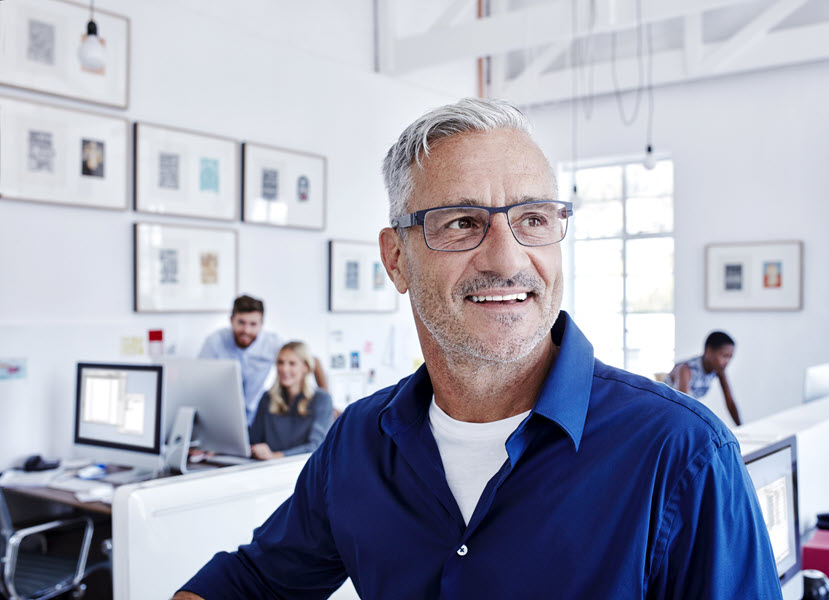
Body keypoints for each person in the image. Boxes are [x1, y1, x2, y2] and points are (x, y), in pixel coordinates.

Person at [175, 98, 779, 599]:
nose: (508, 258)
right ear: (396, 259)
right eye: (462, 222)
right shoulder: (359, 442)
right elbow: (252, 583)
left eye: (535, 219)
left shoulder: (683, 452)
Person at [198, 295, 328, 422]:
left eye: (253, 324)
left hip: (255, 415)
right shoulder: (215, 342)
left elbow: (312, 361)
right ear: (231, 320)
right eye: (241, 322)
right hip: (222, 414)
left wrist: (327, 403)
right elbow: (198, 377)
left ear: (261, 324)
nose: (246, 330)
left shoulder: (271, 344)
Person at [248, 341, 333, 459]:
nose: (284, 369)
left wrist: (275, 456)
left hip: (301, 468)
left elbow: (317, 446)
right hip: (267, 469)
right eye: (280, 363)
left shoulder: (322, 399)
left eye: (292, 364)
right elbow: (254, 439)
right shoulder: (267, 398)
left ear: (306, 368)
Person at [666, 331, 742, 426]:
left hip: (684, 412)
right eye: (724, 356)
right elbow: (684, 405)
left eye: (730, 357)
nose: (727, 361)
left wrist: (741, 427)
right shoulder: (685, 369)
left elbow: (730, 403)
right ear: (709, 351)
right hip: (669, 411)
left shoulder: (719, 370)